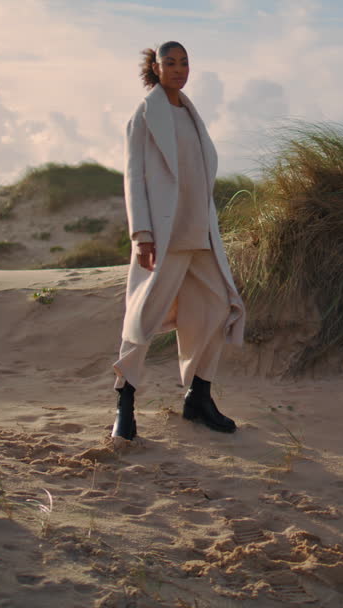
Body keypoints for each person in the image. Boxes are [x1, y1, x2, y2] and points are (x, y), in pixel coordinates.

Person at [110, 40, 246, 441]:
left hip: (200, 233)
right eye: (169, 62)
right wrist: (142, 234)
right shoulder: (144, 116)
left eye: (184, 62)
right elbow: (133, 177)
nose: (179, 69)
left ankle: (198, 397)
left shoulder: (190, 114)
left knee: (219, 307)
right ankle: (125, 402)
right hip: (164, 237)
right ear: (154, 68)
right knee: (143, 318)